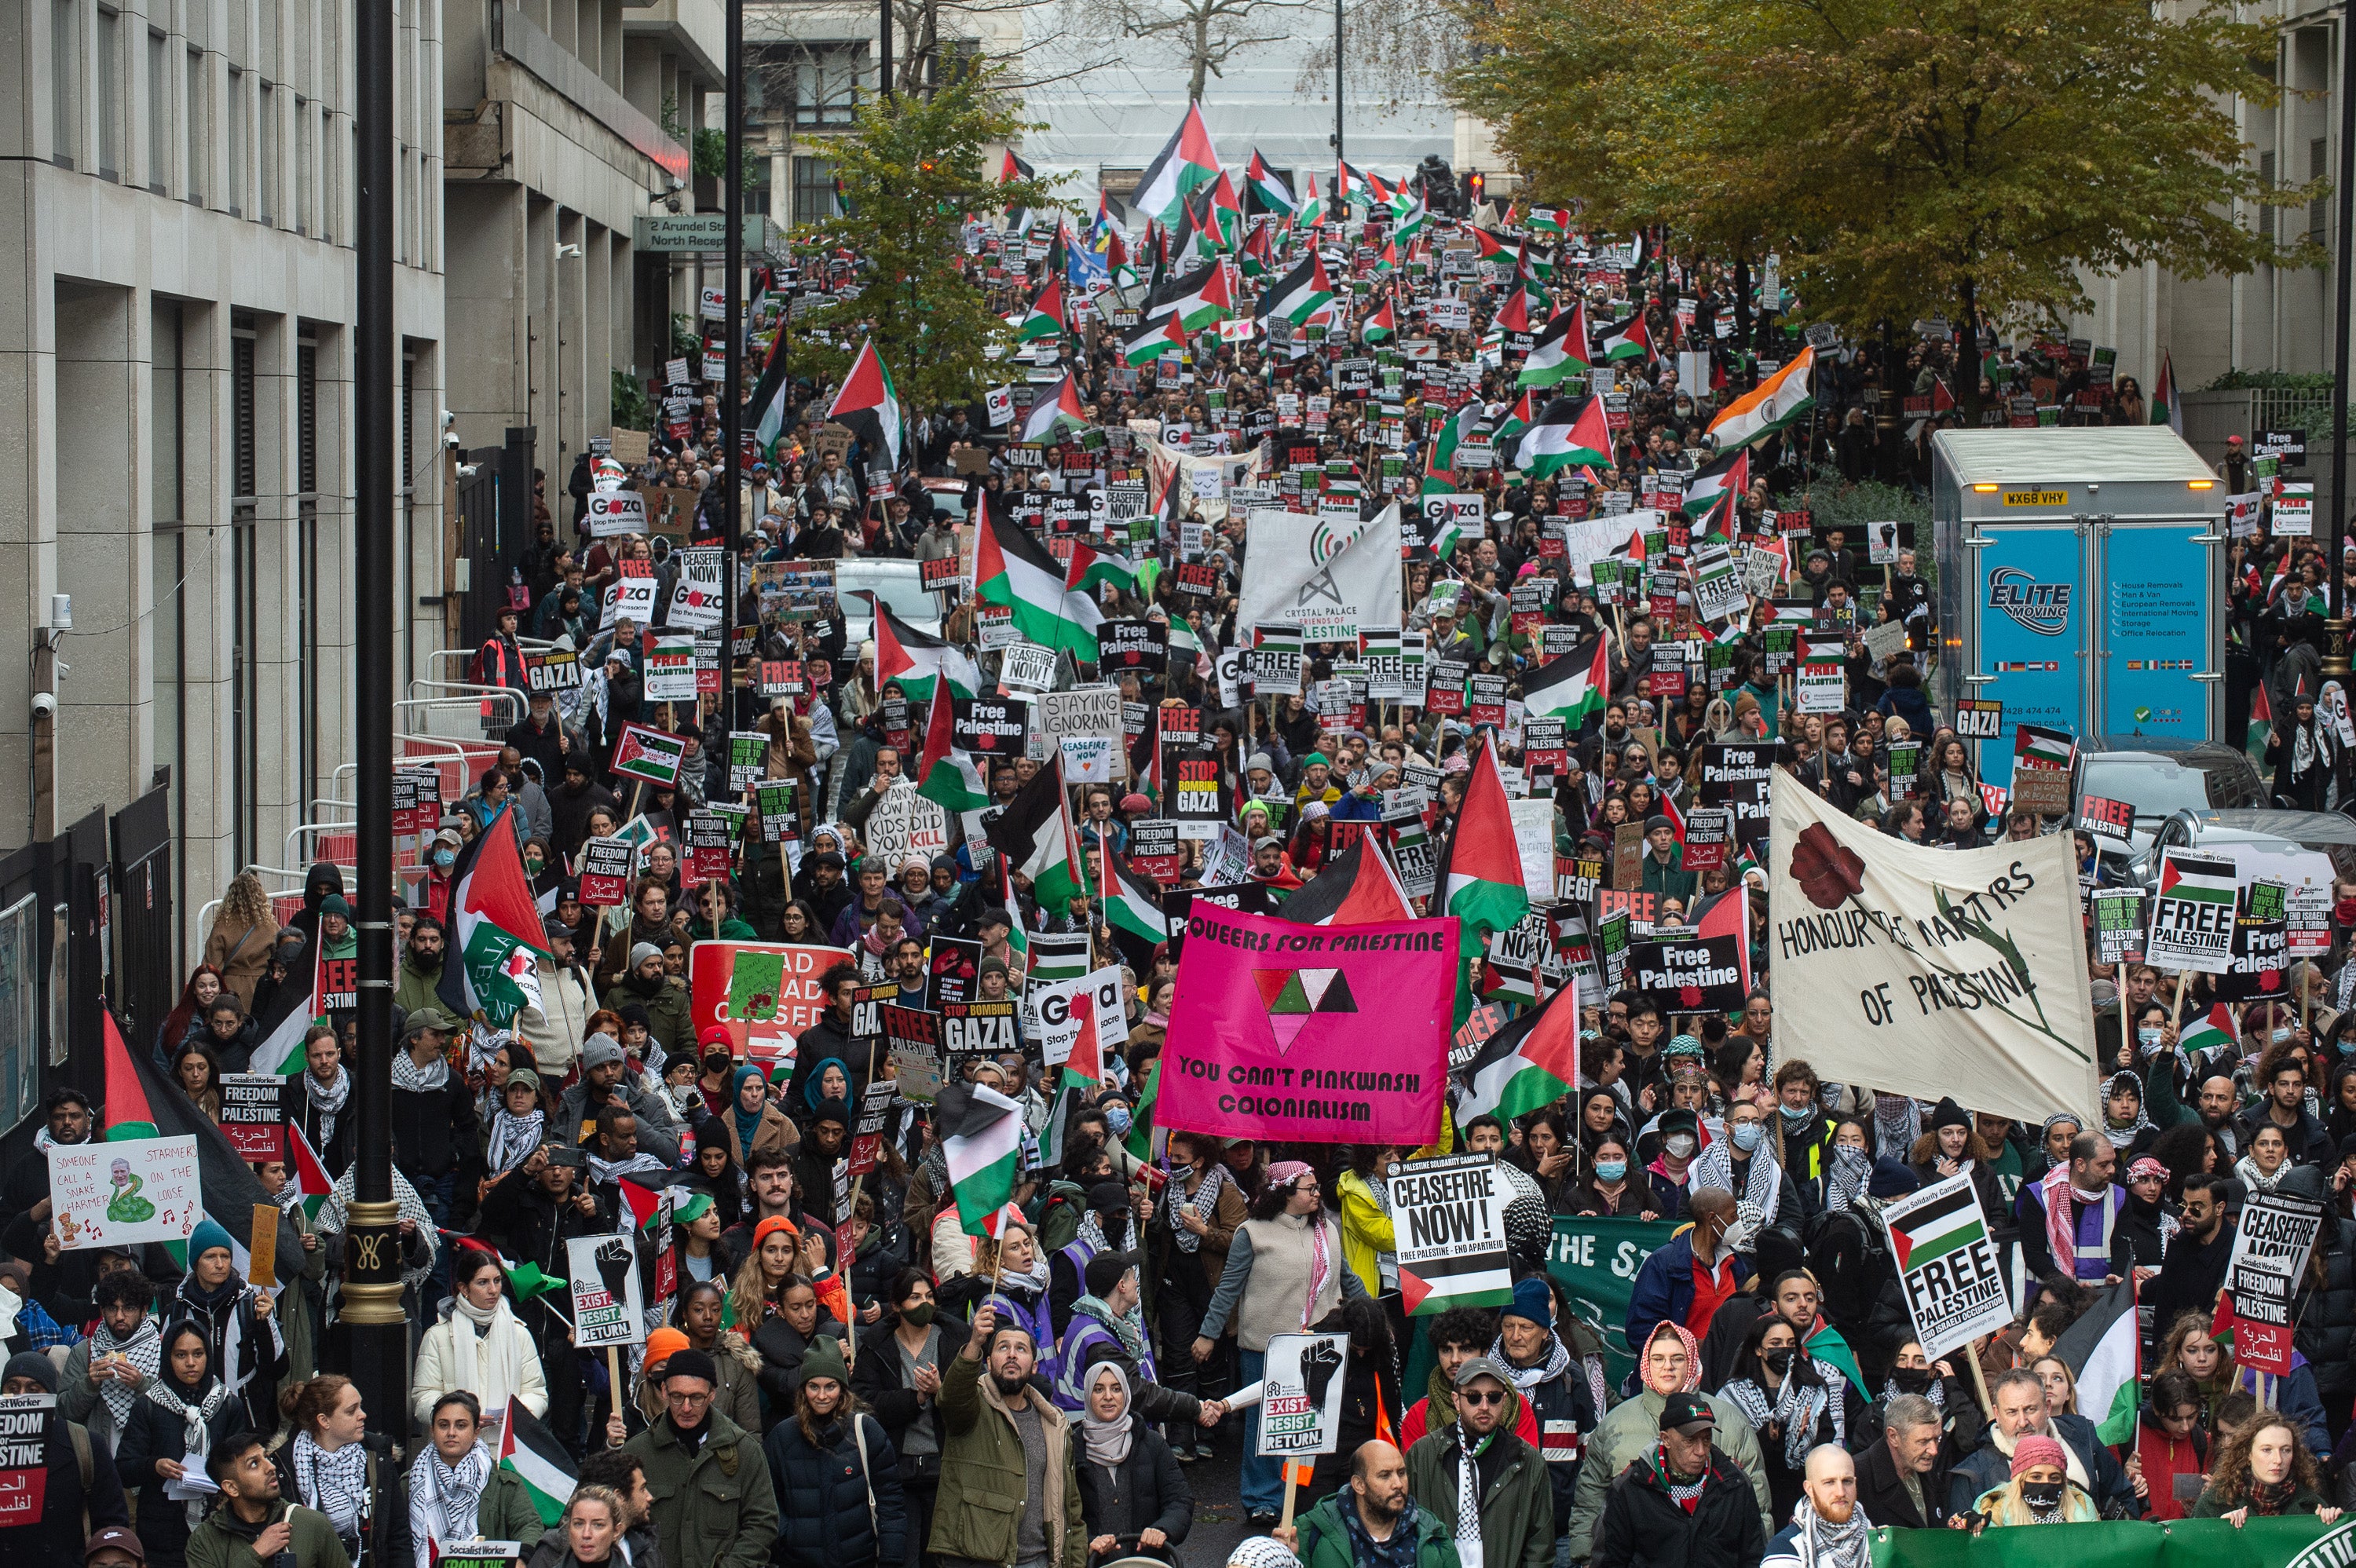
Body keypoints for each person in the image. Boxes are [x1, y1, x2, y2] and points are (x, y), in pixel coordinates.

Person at [1194, 1161, 1369, 1526]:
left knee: (1317, 1421)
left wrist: (1372, 1321)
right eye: (1309, 1188)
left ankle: (1312, 1495)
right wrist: (1208, 1334)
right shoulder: (1252, 1233)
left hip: (1322, 1347)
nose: (1318, 1194)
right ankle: (1262, 1498)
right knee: (1266, 1426)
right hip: (1267, 1347)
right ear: (1285, 1193)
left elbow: (1348, 1280)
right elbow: (1229, 1288)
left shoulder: (1328, 1231)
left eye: (1317, 1187)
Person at [1566, 1322, 1772, 1559]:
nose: (1668, 1367)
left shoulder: (1730, 1421)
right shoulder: (1614, 1425)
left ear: (1692, 1361)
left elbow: (1757, 1505)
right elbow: (1589, 1499)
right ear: (1646, 1363)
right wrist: (1585, 1558)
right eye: (1658, 1359)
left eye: (1678, 1359)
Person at [931, 1298, 1087, 1568]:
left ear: (1034, 1366)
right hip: (976, 1559)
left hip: (1037, 1561)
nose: (1012, 1354)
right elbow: (951, 1399)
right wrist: (975, 1343)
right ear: (989, 1362)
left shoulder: (1055, 1423)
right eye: (1003, 1348)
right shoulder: (972, 1405)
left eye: (1021, 1349)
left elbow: (1069, 1506)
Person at [622, 1348, 780, 1568]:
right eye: (678, 1396)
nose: (686, 1408)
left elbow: (762, 1524)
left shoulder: (746, 1451)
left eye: (696, 1397)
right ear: (665, 1391)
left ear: (712, 1394)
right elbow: (618, 1522)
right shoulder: (637, 1454)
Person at [763, 1336, 907, 1568]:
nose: (822, 1396)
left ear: (842, 1388)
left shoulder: (867, 1432)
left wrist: (890, 1559)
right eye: (814, 1386)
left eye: (830, 1386)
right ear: (803, 1390)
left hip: (859, 1560)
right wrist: (788, 1537)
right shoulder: (781, 1438)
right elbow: (768, 1503)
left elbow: (890, 1502)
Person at [1404, 1357, 1553, 1568]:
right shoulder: (1423, 1453)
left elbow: (1540, 1546)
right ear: (1456, 1400)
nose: (1484, 1406)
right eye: (1474, 1398)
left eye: (1493, 1398)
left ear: (1504, 1399)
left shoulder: (1528, 1461)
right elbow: (1405, 1528)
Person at [118, 1321, 244, 1568]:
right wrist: (155, 1465)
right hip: (162, 1534)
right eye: (180, 1355)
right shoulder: (149, 1406)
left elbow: (240, 1466)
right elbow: (123, 1468)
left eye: (198, 1354)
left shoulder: (228, 1405)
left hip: (217, 1526)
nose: (191, 1363)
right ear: (168, 1358)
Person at [1590, 1392, 1767, 1568]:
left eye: (1706, 1440)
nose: (1700, 1451)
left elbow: (1754, 1555)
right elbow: (1610, 1560)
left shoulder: (1734, 1483)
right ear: (1666, 1439)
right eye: (1689, 1441)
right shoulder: (1630, 1488)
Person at [1945, 1367, 2138, 1519]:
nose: (2022, 1422)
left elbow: (2123, 1495)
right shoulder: (1974, 1474)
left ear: (2047, 1407)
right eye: (2012, 1412)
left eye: (2030, 1409)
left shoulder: (2082, 1438)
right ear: (1997, 1413)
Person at [852, 1269, 949, 1568]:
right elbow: (865, 1404)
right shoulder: (876, 1347)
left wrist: (939, 1391)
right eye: (915, 1297)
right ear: (895, 1305)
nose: (924, 1304)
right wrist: (915, 1398)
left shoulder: (952, 1340)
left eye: (929, 1296)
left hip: (943, 1469)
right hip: (897, 1470)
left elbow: (968, 1402)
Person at [1489, 1277, 1597, 1541]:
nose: (1515, 1336)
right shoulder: (1485, 1379)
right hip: (1498, 1528)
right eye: (1508, 1325)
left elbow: (1590, 1454)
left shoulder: (1572, 1379)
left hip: (1559, 1529)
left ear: (1546, 1331)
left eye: (1526, 1327)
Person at [0, 1351, 128, 1560]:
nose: (21, 1396)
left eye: (33, 1390)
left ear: (50, 1396)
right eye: (12, 1389)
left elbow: (111, 1524)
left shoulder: (85, 1445)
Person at [410, 1248, 548, 1438]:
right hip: (454, 1447)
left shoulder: (519, 1333)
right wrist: (459, 1418)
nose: (493, 1290)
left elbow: (536, 1392)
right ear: (464, 1289)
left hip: (508, 1448)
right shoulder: (437, 1336)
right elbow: (423, 1397)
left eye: (497, 1281)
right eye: (482, 1282)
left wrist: (516, 1415)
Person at [406, 1392, 547, 1567]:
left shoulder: (503, 1482)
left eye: (461, 1425)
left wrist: (521, 1558)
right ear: (432, 1431)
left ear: (476, 1432)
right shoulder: (411, 1482)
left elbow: (529, 1526)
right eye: (443, 1425)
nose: (451, 1433)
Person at [1073, 1358, 1193, 1562]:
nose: (1108, 1397)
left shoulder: (1152, 1443)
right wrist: (1087, 1542)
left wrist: (1162, 1530)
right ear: (1087, 1395)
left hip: (1147, 1562)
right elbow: (1060, 1514)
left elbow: (1179, 1499)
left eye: (1116, 1389)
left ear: (1126, 1394)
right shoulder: (1072, 1449)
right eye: (1099, 1389)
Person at [174, 1219, 286, 1433]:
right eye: (210, 1257)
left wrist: (264, 1323)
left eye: (225, 1256)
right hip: (191, 1425)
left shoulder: (250, 1305)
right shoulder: (179, 1309)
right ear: (196, 1262)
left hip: (244, 1426)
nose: (220, 1264)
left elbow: (277, 1368)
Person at [1278, 1441, 1456, 1568]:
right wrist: (1282, 1558)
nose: (1398, 1484)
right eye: (1385, 1475)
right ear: (1359, 1485)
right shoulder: (1311, 1532)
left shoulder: (1431, 1533)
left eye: (1401, 1473)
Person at [191, 1433, 353, 1568]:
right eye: (254, 1464)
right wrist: (255, 1554)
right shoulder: (205, 1540)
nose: (271, 1467)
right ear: (232, 1488)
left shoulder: (312, 1523)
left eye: (266, 1458)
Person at [1399, 1307, 1539, 1451]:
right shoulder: (1419, 1414)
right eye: (1446, 1350)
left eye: (1465, 1349)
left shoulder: (1517, 1405)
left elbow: (1528, 1468)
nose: (1455, 1359)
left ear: (1484, 1353)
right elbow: (1413, 1470)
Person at [276, 1376, 380, 1563]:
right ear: (324, 1421)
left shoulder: (377, 1456)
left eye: (360, 1406)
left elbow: (397, 1536)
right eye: (351, 1411)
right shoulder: (283, 1467)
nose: (362, 1414)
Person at [60, 1268, 163, 1457]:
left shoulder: (163, 1348)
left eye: (129, 1308)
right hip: (98, 1462)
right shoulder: (85, 1351)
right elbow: (63, 1414)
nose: (119, 1317)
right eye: (112, 1308)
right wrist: (88, 1384)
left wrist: (141, 1385)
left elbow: (177, 1410)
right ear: (102, 1310)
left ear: (144, 1311)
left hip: (147, 1461)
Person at [2192, 1415, 2343, 1523]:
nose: (2278, 1460)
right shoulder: (2216, 1501)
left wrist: (2330, 1524)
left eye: (2286, 1450)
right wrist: (2218, 1531)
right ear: (2249, 1454)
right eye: (2267, 1450)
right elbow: (2192, 1553)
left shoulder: (2312, 1504)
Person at [1762, 1447, 1873, 1568]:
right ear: (1809, 1488)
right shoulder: (1785, 1547)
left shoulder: (1877, 1540)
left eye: (1847, 1481)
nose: (1840, 1492)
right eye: (1829, 1482)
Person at [1854, 1394, 1950, 1530]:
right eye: (1923, 1441)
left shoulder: (1926, 1471)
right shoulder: (1855, 1478)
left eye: (1937, 1439)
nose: (1934, 1451)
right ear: (1893, 1436)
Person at [1967, 1433, 2098, 1526]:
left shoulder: (2082, 1507)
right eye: (2036, 1477)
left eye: (2054, 1478)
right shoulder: (1994, 1513)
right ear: (2020, 1479)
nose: (2045, 1483)